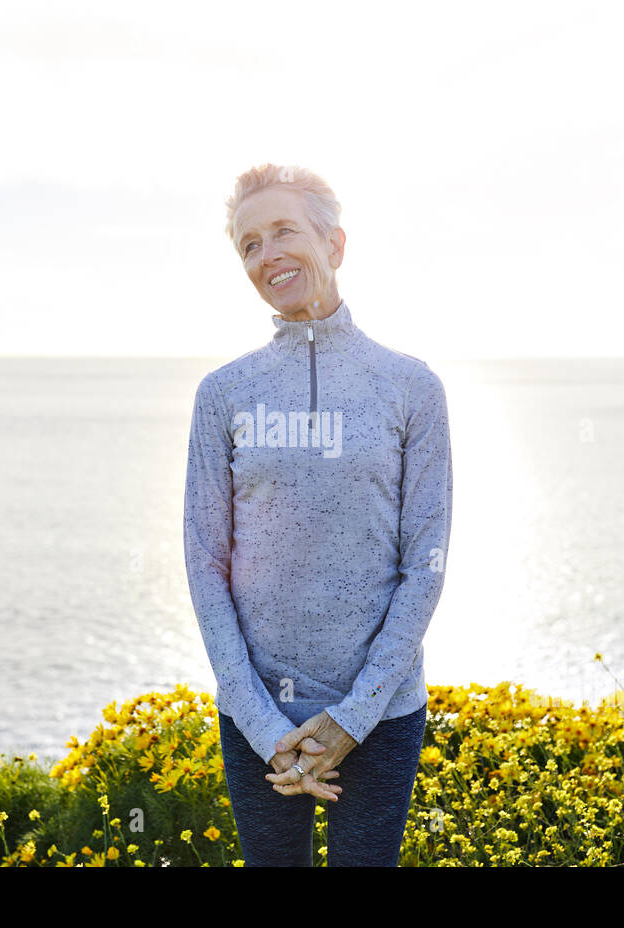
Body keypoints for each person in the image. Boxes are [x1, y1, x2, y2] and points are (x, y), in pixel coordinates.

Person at [183, 162, 453, 866]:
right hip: (258, 724)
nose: (267, 254)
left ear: (334, 245)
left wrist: (352, 720)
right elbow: (205, 563)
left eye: (283, 231)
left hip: (380, 716)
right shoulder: (223, 394)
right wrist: (261, 721)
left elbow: (423, 565)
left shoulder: (410, 387)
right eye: (248, 244)